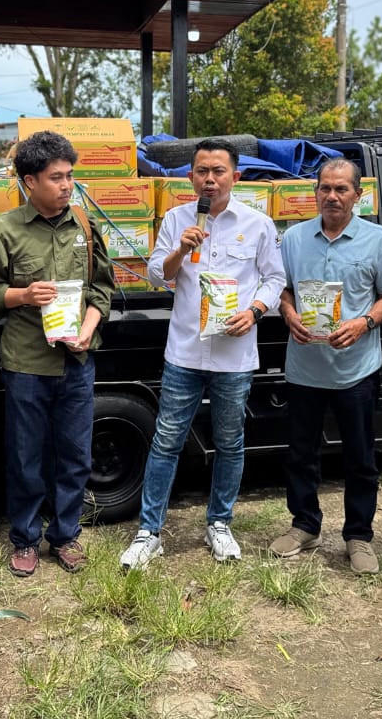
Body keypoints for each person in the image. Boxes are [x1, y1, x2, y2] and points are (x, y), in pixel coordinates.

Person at [121, 138, 285, 569]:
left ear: (236, 176)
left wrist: (255, 311)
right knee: (166, 440)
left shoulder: (259, 224)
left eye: (218, 171)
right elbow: (158, 276)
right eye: (201, 172)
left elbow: (274, 279)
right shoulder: (177, 219)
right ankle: (149, 531)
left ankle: (219, 524)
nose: (209, 179)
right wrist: (180, 249)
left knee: (230, 442)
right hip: (185, 353)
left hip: (235, 355)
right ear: (191, 177)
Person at [0, 131, 114, 577]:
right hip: (27, 364)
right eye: (56, 177)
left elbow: (103, 291)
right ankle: (24, 538)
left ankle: (66, 534)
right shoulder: (2, 230)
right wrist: (23, 295)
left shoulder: (86, 228)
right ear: (29, 181)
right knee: (25, 456)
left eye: (70, 176)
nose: (66, 185)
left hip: (76, 360)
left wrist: (87, 332)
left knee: (75, 455)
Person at [271, 158, 382, 575]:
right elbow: (283, 289)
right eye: (325, 188)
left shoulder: (378, 241)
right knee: (300, 453)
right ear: (315, 193)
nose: (332, 196)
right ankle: (305, 524)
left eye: (342, 189)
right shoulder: (293, 238)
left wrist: (363, 323)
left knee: (360, 457)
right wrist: (288, 314)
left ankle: (358, 535)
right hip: (304, 366)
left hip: (355, 369)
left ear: (358, 195)